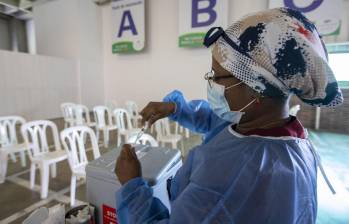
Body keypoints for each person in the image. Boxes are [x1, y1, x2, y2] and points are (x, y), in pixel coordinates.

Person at [114, 7, 343, 224]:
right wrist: (176, 108)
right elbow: (218, 122)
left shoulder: (230, 176)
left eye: (218, 76)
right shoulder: (283, 133)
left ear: (257, 87)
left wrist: (132, 186)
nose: (210, 81)